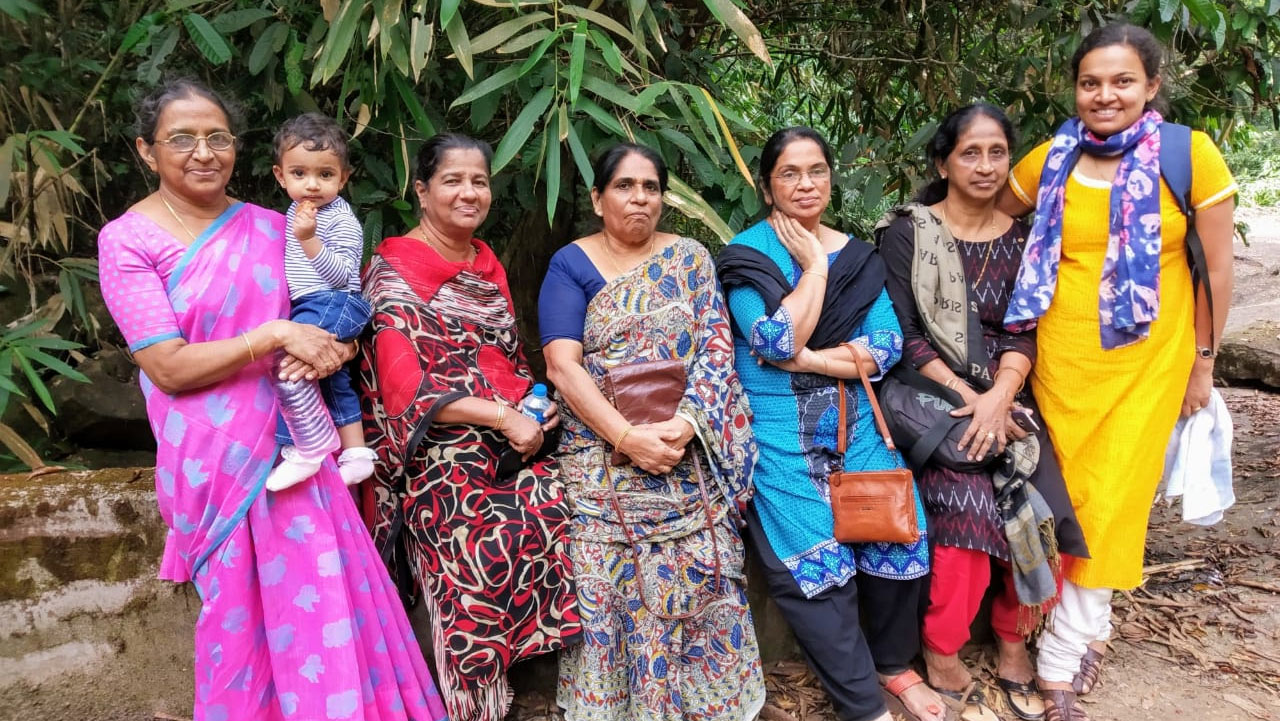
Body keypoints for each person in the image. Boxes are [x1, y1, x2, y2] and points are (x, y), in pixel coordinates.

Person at [97, 78, 447, 721]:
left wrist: (334, 347)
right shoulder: (127, 240)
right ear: (147, 152)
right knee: (237, 616)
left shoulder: (271, 226)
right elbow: (168, 367)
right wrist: (276, 335)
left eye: (218, 137)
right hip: (211, 457)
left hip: (296, 446)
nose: (203, 152)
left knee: (321, 602)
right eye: (181, 139)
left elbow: (329, 313)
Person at [997, 24, 1236, 721]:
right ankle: (1091, 628)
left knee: (1111, 502)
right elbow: (993, 217)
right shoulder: (1052, 158)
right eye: (1091, 82)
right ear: (1075, 89)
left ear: (1152, 85)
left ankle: (1061, 658)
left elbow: (1215, 270)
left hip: (1147, 360)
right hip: (1060, 362)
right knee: (1068, 498)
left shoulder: (1190, 156)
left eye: (1123, 81)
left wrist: (1203, 363)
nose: (1106, 95)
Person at [878, 104, 1089, 721]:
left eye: (997, 152)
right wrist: (970, 401)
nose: (986, 165)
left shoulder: (1024, 239)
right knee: (966, 495)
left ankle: (1010, 636)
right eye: (970, 153)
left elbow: (1024, 330)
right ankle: (941, 649)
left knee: (1040, 498)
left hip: (1007, 390)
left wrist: (999, 397)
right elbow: (906, 334)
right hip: (934, 395)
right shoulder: (909, 234)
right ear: (942, 162)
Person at [358, 133, 580, 721]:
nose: (468, 192)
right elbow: (406, 389)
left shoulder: (485, 263)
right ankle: (474, 699)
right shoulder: (392, 270)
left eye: (478, 181)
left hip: (509, 435)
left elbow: (507, 358)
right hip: (433, 446)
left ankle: (537, 679)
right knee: (471, 532)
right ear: (422, 190)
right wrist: (502, 416)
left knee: (560, 504)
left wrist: (535, 403)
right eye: (452, 180)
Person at [717, 126, 936, 721]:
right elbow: (770, 337)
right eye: (789, 173)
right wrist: (813, 266)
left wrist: (810, 360)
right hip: (778, 431)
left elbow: (886, 345)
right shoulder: (747, 256)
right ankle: (863, 705)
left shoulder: (860, 259)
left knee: (901, 533)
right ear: (767, 186)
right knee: (816, 566)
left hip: (859, 423)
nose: (806, 183)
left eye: (816, 170)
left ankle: (894, 667)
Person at [540, 143, 765, 720]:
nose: (639, 198)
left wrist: (686, 424)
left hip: (686, 449)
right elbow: (563, 365)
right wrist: (626, 438)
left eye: (650, 187)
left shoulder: (690, 258)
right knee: (607, 587)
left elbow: (717, 347)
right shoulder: (571, 264)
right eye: (624, 186)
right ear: (597, 198)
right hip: (602, 459)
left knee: (705, 575)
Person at [266, 112, 377, 490]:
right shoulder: (295, 213)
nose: (312, 185)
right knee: (332, 379)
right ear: (281, 176)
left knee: (289, 367)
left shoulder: (338, 219)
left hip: (334, 301)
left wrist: (310, 239)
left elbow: (343, 275)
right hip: (318, 304)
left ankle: (303, 448)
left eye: (325, 175)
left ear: (343, 178)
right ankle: (357, 453)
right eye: (299, 174)